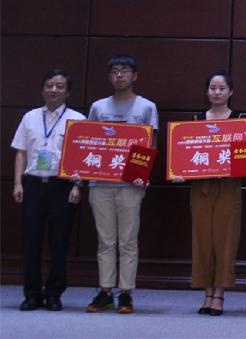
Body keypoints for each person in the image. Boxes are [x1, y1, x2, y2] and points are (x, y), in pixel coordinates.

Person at [84, 55, 159, 314]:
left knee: (127, 239)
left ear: (134, 76)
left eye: (124, 71)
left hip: (131, 184)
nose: (119, 75)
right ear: (109, 76)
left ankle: (126, 293)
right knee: (105, 240)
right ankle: (105, 291)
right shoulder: (98, 107)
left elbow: (150, 145)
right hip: (100, 182)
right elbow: (88, 141)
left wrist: (143, 173)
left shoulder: (146, 107)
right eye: (114, 71)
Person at [11, 69, 87, 311]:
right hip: (33, 185)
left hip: (62, 186)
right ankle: (32, 294)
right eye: (50, 85)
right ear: (43, 89)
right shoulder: (30, 117)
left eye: (59, 86)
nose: (54, 90)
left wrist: (78, 185)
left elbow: (83, 157)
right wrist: (17, 183)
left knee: (59, 242)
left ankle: (54, 294)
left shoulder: (78, 119)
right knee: (31, 242)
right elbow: (21, 152)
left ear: (67, 92)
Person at [171, 70, 242, 316]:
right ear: (207, 91)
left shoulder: (241, 121)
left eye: (222, 88)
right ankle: (207, 292)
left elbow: (245, 160)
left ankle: (219, 293)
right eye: (213, 88)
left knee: (226, 239)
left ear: (231, 92)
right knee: (202, 239)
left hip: (229, 187)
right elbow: (184, 153)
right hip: (200, 187)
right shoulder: (196, 120)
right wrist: (178, 171)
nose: (217, 92)